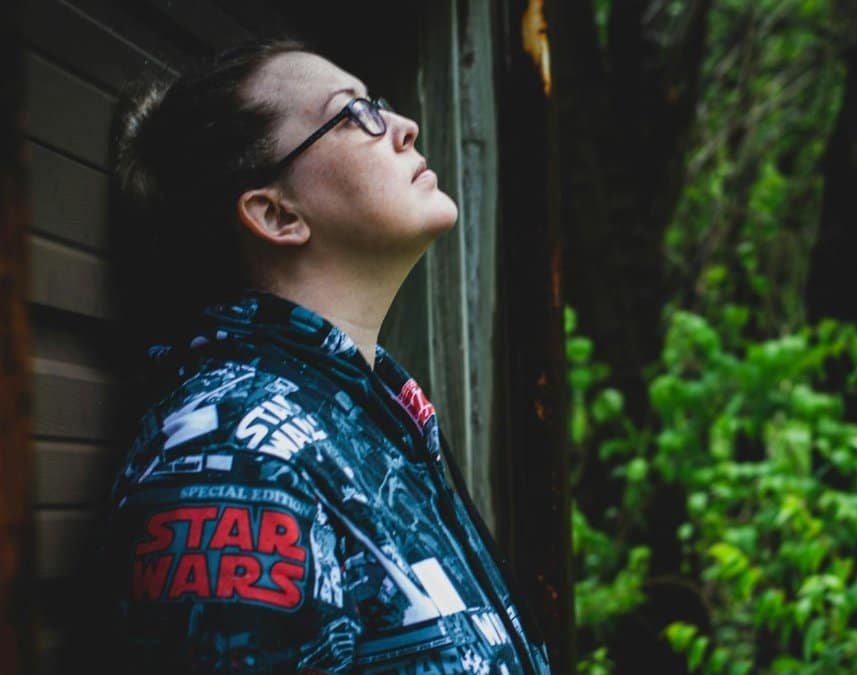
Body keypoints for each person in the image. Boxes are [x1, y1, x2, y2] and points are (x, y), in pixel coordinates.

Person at [101, 38, 551, 674]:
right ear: (276, 214)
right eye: (354, 113)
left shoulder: (372, 420)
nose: (403, 127)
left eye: (380, 104)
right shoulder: (238, 465)